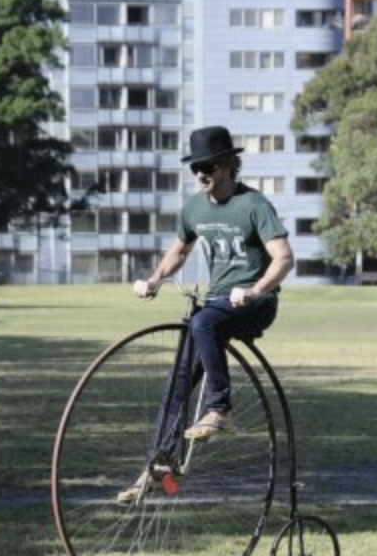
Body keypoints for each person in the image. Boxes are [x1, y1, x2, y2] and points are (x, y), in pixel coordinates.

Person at [119, 126, 294, 501]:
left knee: (202, 321)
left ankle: (220, 408)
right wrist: (154, 279)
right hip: (217, 302)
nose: (201, 173)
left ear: (229, 165)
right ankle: (159, 465)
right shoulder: (195, 207)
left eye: (209, 166)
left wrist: (255, 290)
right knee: (177, 385)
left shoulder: (254, 206)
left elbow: (284, 258)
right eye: (196, 167)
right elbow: (178, 252)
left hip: (257, 304)